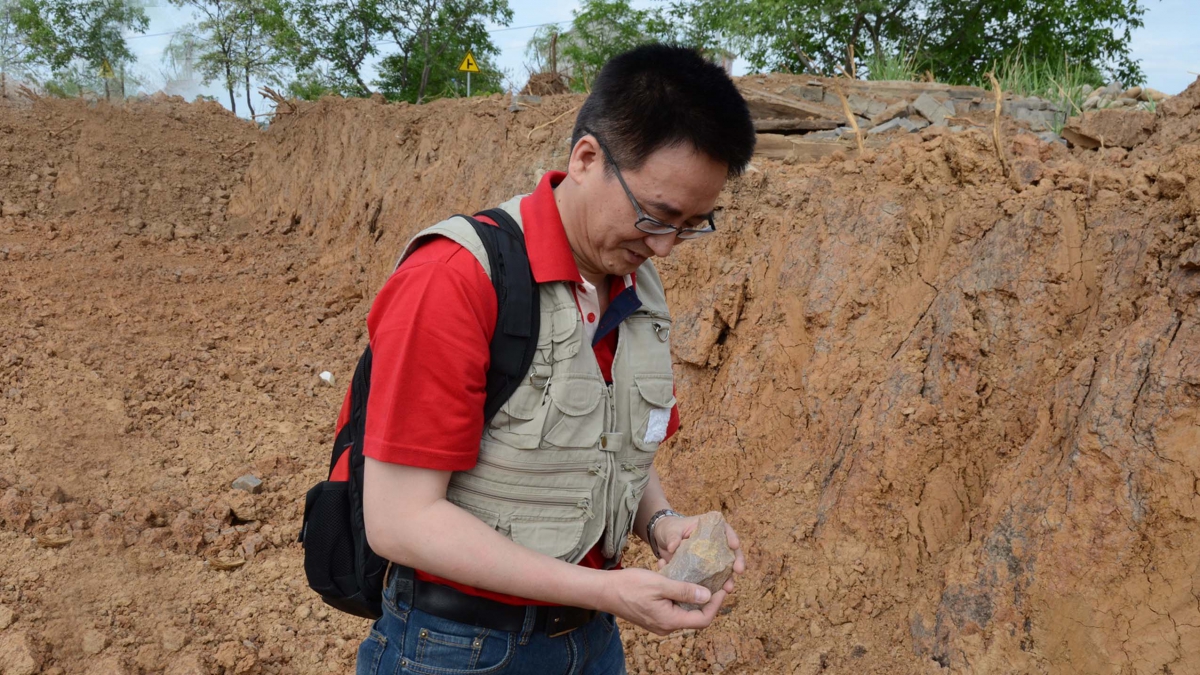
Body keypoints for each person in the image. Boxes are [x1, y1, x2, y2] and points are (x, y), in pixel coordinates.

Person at [354, 43, 757, 675]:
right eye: (657, 216)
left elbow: (606, 442)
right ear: (587, 158)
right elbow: (400, 520)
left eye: (692, 225)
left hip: (589, 642)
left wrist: (661, 526)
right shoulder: (457, 278)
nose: (667, 247)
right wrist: (606, 591)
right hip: (456, 648)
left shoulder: (635, 285)